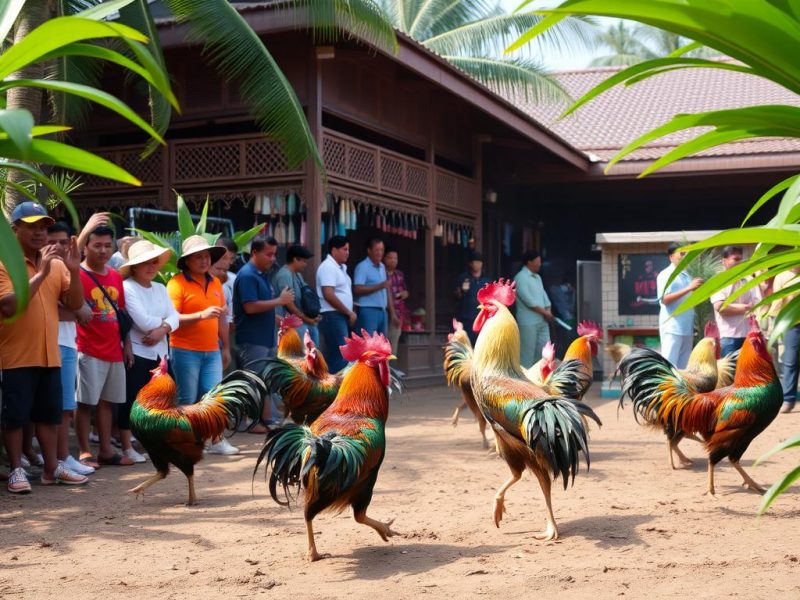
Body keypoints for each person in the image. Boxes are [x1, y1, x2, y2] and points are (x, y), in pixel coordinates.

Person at [0, 202, 88, 492]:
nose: (40, 233)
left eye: (43, 227)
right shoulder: (4, 263)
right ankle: (16, 470)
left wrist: (74, 272)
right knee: (15, 417)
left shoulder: (57, 264)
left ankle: (52, 469)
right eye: (32, 226)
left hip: (50, 353)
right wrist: (43, 271)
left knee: (48, 416)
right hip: (14, 355)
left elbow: (75, 304)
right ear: (15, 230)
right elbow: (10, 305)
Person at [167, 235, 235, 454]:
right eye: (198, 257)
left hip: (212, 350)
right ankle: (189, 441)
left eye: (206, 256)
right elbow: (172, 318)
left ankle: (216, 439)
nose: (204, 261)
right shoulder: (176, 283)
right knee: (187, 398)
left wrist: (225, 346)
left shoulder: (216, 282)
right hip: (184, 349)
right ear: (187, 261)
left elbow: (222, 318)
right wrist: (201, 314)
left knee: (214, 396)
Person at [76, 225, 135, 468]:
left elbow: (121, 312)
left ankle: (106, 450)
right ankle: (84, 451)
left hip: (114, 348)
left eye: (107, 245)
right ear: (86, 246)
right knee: (85, 402)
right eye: (97, 245)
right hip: (87, 347)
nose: (102, 250)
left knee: (107, 402)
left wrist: (127, 344)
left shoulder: (114, 276)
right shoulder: (76, 274)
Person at [121, 241, 180, 462]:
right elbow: (142, 321)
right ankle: (127, 446)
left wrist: (163, 328)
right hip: (138, 351)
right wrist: (165, 324)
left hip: (160, 352)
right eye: (144, 263)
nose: (151, 266)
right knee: (131, 399)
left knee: (164, 399)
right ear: (134, 266)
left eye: (154, 261)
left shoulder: (161, 288)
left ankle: (159, 441)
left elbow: (176, 317)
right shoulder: (128, 287)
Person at [47, 222, 95, 477]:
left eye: (63, 242)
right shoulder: (42, 269)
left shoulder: (69, 271)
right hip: (47, 342)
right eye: (50, 241)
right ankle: (53, 459)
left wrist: (75, 311)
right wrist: (76, 310)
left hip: (68, 343)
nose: (56, 246)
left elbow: (78, 309)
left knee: (66, 406)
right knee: (53, 408)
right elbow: (55, 308)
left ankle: (64, 456)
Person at [233, 235, 293, 427]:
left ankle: (264, 419)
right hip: (252, 338)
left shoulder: (260, 275)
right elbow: (250, 307)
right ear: (254, 253)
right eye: (268, 254)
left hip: (265, 338)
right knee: (253, 380)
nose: (273, 259)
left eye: (274, 255)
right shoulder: (248, 275)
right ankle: (250, 422)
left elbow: (261, 307)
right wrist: (279, 302)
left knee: (264, 380)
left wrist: (278, 319)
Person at [656, 242, 703, 369]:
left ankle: (681, 389)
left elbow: (687, 297)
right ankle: (665, 389)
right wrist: (689, 288)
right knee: (669, 364)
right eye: (682, 254)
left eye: (686, 254)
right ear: (671, 257)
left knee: (683, 366)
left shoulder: (686, 274)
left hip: (686, 327)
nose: (685, 256)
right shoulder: (665, 274)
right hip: (672, 327)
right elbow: (665, 299)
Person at [317, 235, 356, 373]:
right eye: (345, 249)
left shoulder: (340, 268)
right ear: (334, 250)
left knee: (337, 354)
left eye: (348, 249)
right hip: (332, 315)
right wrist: (348, 312)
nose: (348, 252)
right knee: (341, 354)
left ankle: (331, 389)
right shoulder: (328, 267)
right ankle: (333, 390)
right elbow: (328, 294)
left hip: (339, 316)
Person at [711, 245, 759, 356]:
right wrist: (745, 307)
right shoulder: (718, 281)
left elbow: (756, 305)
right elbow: (720, 308)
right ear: (724, 261)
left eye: (741, 259)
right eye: (735, 259)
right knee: (729, 372)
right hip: (728, 337)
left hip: (748, 335)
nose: (739, 262)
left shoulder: (748, 279)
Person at [514, 251, 553, 369]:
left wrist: (549, 310)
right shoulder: (520, 278)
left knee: (545, 352)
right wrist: (546, 313)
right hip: (528, 323)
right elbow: (529, 302)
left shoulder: (538, 277)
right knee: (527, 355)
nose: (540, 264)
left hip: (542, 321)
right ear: (529, 262)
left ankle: (539, 380)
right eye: (538, 261)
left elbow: (544, 297)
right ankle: (524, 383)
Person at [274, 244, 320, 345]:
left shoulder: (298, 275)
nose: (305, 264)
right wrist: (306, 318)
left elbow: (305, 298)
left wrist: (312, 316)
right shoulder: (284, 275)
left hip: (303, 321)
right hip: (291, 323)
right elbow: (289, 303)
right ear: (295, 259)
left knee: (313, 353)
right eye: (304, 261)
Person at [771, 266, 800, 413]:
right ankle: (788, 399)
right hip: (792, 324)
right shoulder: (782, 276)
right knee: (791, 360)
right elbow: (777, 302)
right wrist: (775, 323)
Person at [353, 238, 396, 336]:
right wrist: (379, 286)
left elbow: (386, 289)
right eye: (377, 250)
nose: (380, 253)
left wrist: (392, 313)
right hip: (368, 310)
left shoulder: (382, 267)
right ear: (369, 251)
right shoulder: (362, 267)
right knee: (369, 344)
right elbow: (357, 289)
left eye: (382, 250)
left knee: (381, 345)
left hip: (383, 311)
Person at [454, 251, 490, 345]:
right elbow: (455, 296)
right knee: (466, 345)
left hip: (482, 319)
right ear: (470, 263)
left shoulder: (486, 280)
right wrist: (462, 291)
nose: (477, 264)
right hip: (466, 318)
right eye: (475, 262)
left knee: (481, 345)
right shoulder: (462, 278)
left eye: (479, 262)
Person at [384, 248, 411, 353]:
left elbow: (406, 291)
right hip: (385, 313)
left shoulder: (399, 274)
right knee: (383, 342)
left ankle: (391, 368)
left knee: (393, 344)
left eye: (395, 258)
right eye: (390, 258)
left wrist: (404, 294)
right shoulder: (381, 273)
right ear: (384, 259)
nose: (393, 260)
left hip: (398, 313)